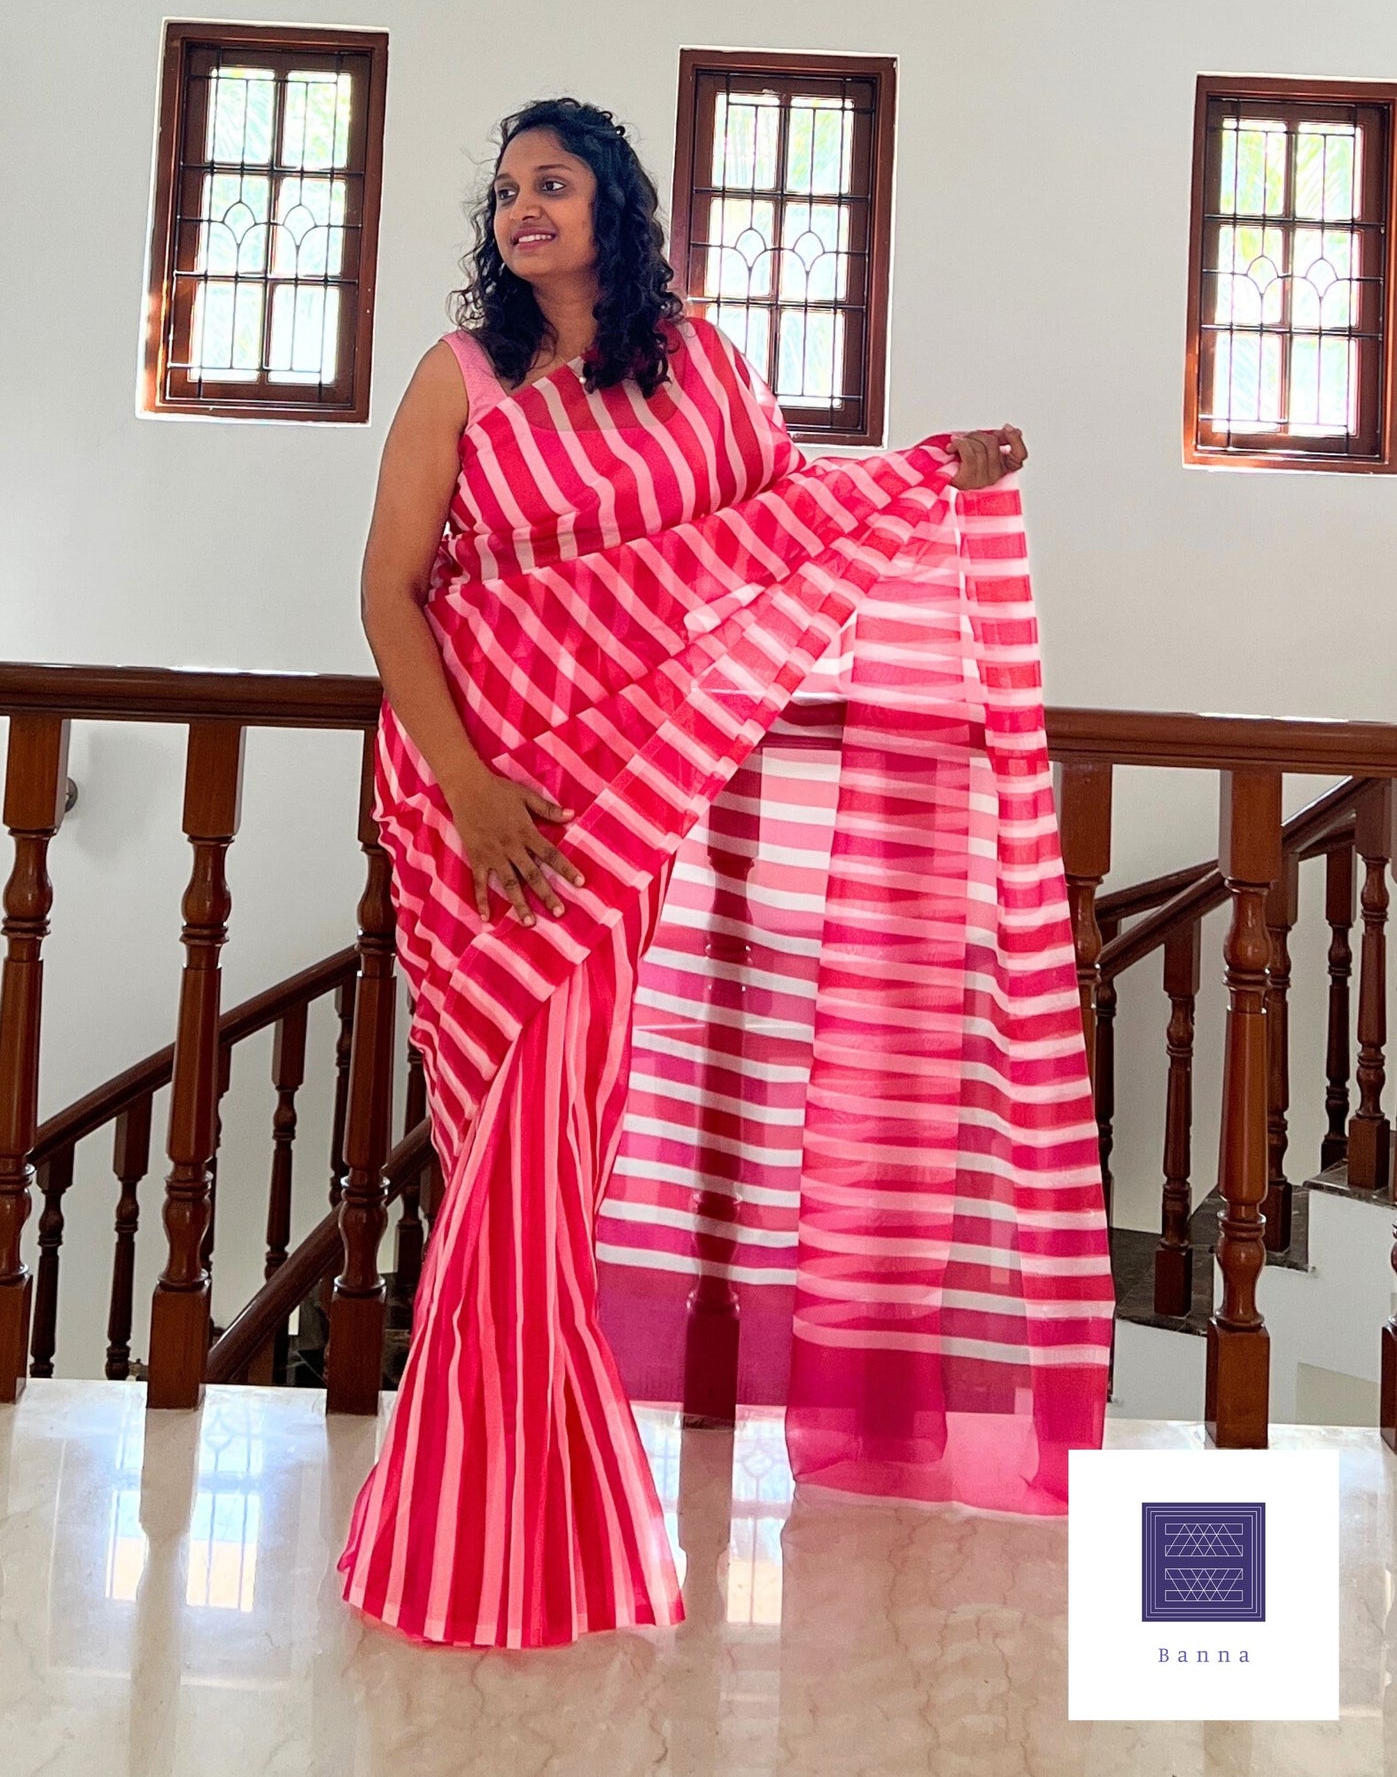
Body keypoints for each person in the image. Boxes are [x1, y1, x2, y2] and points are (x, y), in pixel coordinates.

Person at [338, 97, 1112, 1650]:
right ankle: (479, 1525)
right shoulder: (463, 374)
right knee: (497, 1145)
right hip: (470, 799)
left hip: (612, 803)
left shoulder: (705, 376)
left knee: (549, 1163)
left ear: (615, 209)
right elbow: (386, 592)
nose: (518, 210)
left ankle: (497, 1519)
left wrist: (929, 472)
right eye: (502, 192)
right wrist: (479, 793)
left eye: (549, 183)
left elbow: (769, 535)